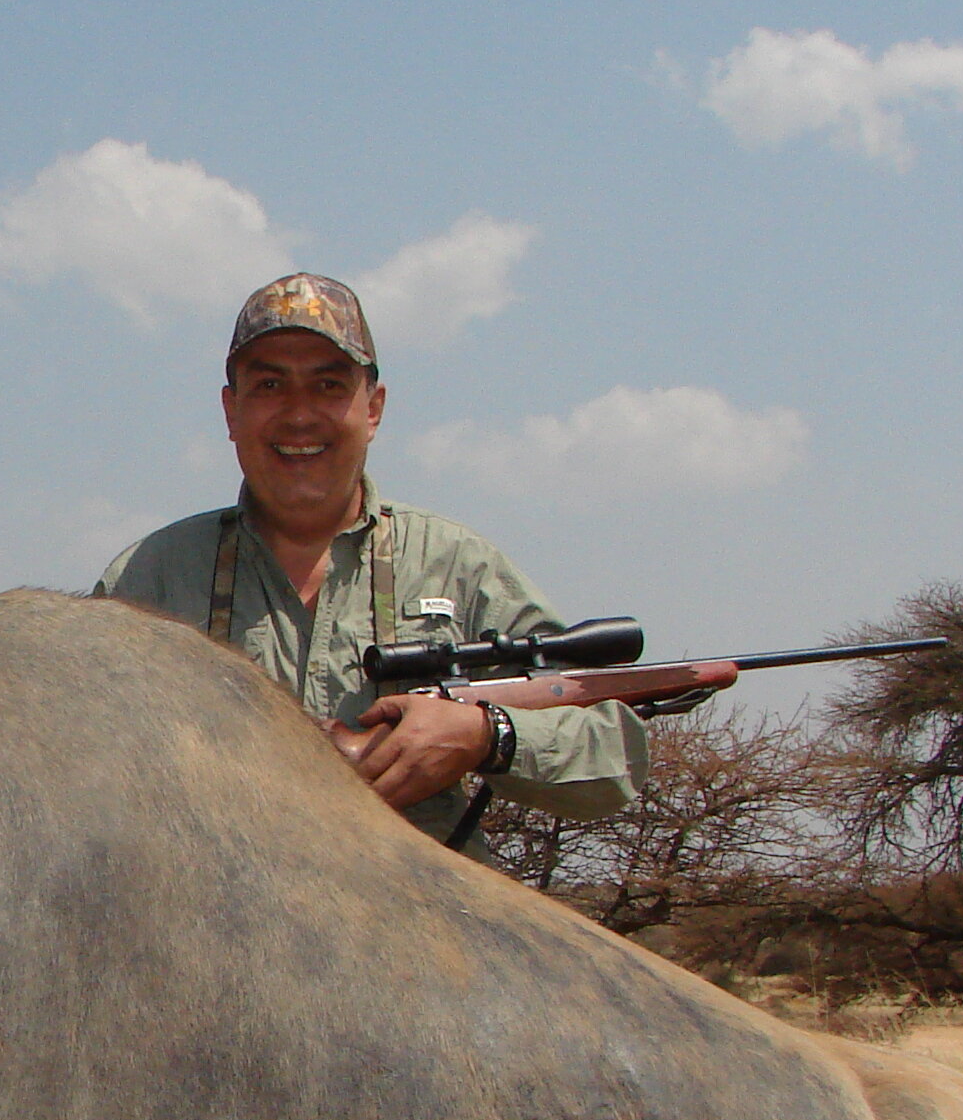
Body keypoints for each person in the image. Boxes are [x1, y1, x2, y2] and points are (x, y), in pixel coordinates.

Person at [97, 274, 644, 851]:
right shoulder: (145, 580)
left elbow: (613, 759)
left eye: (329, 385)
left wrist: (486, 735)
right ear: (231, 410)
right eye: (269, 385)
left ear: (374, 408)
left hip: (421, 925)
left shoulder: (458, 564)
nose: (299, 414)